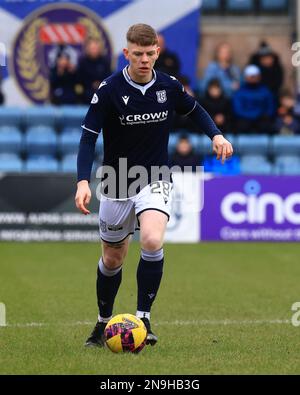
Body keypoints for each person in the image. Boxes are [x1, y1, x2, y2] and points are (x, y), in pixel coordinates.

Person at [75, 23, 233, 348]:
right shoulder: (108, 90)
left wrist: (216, 134)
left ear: (157, 52)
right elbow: (88, 138)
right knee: (112, 258)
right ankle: (103, 321)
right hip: (116, 177)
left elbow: (195, 110)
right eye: (138, 54)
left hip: (155, 175)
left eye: (150, 53)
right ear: (126, 53)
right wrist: (81, 181)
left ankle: (143, 318)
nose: (144, 59)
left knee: (150, 238)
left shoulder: (169, 86)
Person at [232, 65, 275, 134]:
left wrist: (264, 115)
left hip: (261, 119)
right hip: (245, 120)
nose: (253, 79)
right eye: (251, 76)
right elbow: (238, 110)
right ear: (246, 77)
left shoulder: (265, 91)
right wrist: (252, 115)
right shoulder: (240, 92)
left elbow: (270, 107)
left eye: (255, 76)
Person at [77, 38, 112, 104]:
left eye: (96, 48)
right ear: (88, 49)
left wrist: (100, 84)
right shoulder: (83, 62)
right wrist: (91, 84)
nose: (94, 51)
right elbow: (79, 79)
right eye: (92, 48)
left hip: (102, 90)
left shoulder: (105, 62)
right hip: (87, 91)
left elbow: (109, 77)